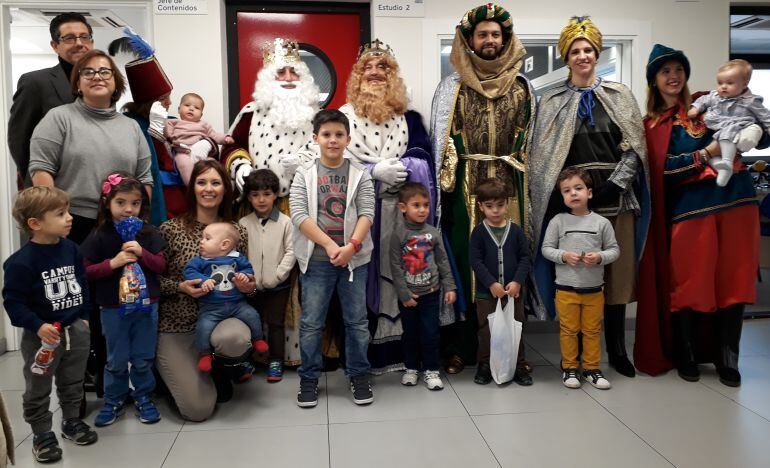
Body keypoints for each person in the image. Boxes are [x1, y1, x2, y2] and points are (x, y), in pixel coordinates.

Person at [529, 17, 650, 378]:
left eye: (588, 50)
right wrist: (567, 195)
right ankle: (578, 350)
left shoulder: (619, 95)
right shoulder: (551, 101)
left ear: (597, 54)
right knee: (579, 275)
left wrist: (615, 184)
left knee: (616, 278)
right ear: (566, 58)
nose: (582, 56)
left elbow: (635, 148)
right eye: (575, 51)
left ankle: (617, 349)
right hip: (574, 206)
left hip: (616, 200)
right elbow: (544, 157)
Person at [638, 44, 762, 386]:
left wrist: (754, 130)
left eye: (679, 69)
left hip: (738, 204)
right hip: (690, 213)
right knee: (690, 284)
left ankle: (727, 359)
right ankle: (687, 354)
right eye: (665, 71)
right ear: (654, 80)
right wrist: (707, 153)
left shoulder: (713, 101)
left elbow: (758, 130)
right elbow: (663, 172)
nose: (673, 76)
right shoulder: (652, 125)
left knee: (735, 282)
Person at [430, 3, 535, 376]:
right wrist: (447, 185)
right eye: (482, 34)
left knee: (509, 260)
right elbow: (443, 141)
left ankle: (512, 351)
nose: (490, 40)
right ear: (470, 40)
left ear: (504, 40)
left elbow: (530, 141)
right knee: (465, 263)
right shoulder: (452, 87)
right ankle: (464, 348)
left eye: (496, 34)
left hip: (509, 187)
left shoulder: (522, 87)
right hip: (465, 188)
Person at [341, 39, 437, 374]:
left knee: (407, 276)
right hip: (362, 215)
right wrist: (372, 171)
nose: (375, 72)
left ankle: (409, 356)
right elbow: (334, 163)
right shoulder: (343, 117)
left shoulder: (410, 118)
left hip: (402, 215)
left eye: (383, 67)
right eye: (367, 67)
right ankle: (364, 358)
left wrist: (407, 166)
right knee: (364, 283)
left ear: (393, 75)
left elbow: (424, 157)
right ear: (357, 75)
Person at [2, 187, 98, 463]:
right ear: (35, 223)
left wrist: (84, 317)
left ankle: (71, 421)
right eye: (60, 213)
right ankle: (41, 433)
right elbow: (14, 303)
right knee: (38, 386)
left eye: (68, 211)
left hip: (76, 331)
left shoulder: (71, 249)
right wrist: (37, 325)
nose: (70, 218)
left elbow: (82, 284)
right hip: (42, 338)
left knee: (73, 380)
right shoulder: (20, 263)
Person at [157, 159, 256, 421]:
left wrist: (248, 286)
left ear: (225, 189)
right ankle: (178, 374)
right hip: (178, 325)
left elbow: (247, 280)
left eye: (216, 182)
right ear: (192, 188)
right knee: (198, 410)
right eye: (201, 182)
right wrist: (180, 287)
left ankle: (221, 368)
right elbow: (152, 281)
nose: (208, 189)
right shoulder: (170, 230)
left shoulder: (236, 232)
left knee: (235, 338)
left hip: (220, 318)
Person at [290, 109, 375, 407]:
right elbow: (299, 215)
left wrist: (351, 246)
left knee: (357, 322)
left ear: (348, 139)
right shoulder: (304, 174)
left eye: (339, 134)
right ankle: (309, 378)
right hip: (316, 261)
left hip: (354, 261)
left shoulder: (360, 174)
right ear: (315, 138)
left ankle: (359, 375)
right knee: (312, 323)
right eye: (326, 134)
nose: (333, 140)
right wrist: (328, 245)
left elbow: (367, 213)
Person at [28, 49, 154, 245]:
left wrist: (137, 220)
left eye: (105, 71)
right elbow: (41, 169)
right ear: (78, 84)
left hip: (120, 223)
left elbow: (144, 178)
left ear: (115, 82)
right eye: (88, 72)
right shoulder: (58, 118)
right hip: (72, 223)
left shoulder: (132, 127)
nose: (97, 76)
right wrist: (57, 218)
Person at [79, 174, 166, 427]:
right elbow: (84, 271)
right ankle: (114, 399)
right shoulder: (99, 234)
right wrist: (112, 263)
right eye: (121, 202)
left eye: (135, 203)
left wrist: (142, 253)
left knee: (143, 356)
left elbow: (161, 266)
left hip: (147, 306)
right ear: (107, 203)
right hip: (112, 307)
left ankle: (143, 396)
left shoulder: (149, 233)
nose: (128, 209)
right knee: (115, 358)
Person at [541, 168, 619, 390]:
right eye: (567, 191)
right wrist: (564, 256)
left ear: (589, 193)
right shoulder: (558, 221)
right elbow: (546, 249)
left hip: (594, 290)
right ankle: (570, 368)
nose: (573, 193)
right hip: (566, 290)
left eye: (578, 188)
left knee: (592, 331)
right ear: (562, 197)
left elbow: (614, 250)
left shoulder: (602, 223)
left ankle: (592, 369)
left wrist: (600, 257)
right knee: (568, 331)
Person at [224, 38, 319, 199]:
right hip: (258, 201)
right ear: (269, 79)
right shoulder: (250, 113)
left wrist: (305, 162)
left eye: (294, 72)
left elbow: (331, 153)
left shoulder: (318, 116)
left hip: (304, 202)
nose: (288, 78)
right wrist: (240, 166)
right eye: (280, 72)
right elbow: (231, 146)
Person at [114, 28, 192, 224]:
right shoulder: (131, 125)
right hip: (155, 199)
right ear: (150, 103)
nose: (170, 103)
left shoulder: (170, 120)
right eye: (164, 98)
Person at [8, 12, 93, 190]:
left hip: (93, 187)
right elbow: (19, 139)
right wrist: (36, 181)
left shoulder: (101, 83)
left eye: (84, 37)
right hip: (51, 187)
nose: (79, 43)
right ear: (55, 45)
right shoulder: (35, 82)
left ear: (91, 42)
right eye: (69, 38)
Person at [389, 182, 456, 390]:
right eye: (416, 205)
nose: (422, 210)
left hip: (431, 293)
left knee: (430, 333)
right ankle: (411, 368)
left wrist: (450, 287)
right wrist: (404, 294)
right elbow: (395, 266)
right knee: (410, 333)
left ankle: (431, 369)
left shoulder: (433, 233)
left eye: (426, 205)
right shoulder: (398, 234)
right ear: (403, 208)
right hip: (408, 296)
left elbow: (443, 261)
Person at [469, 179, 531, 385]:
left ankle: (519, 365)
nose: (495, 210)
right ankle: (485, 365)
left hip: (513, 293)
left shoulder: (516, 231)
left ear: (507, 204)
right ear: (480, 206)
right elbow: (475, 261)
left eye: (500, 205)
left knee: (515, 328)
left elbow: (525, 258)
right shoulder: (479, 232)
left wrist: (517, 281)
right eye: (489, 206)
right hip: (487, 294)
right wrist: (491, 284)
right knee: (487, 331)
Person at [184, 222, 269, 372]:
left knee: (252, 315)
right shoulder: (201, 260)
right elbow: (189, 271)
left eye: (207, 238)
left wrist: (244, 276)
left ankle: (257, 339)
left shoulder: (237, 258)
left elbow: (248, 269)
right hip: (211, 308)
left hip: (238, 304)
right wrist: (203, 280)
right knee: (203, 327)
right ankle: (205, 353)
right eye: (202, 238)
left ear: (224, 244)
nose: (201, 241)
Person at [239, 169, 296, 382]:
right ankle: (248, 360)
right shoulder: (244, 223)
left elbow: (291, 251)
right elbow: (240, 254)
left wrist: (278, 275)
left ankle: (276, 360)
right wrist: (247, 277)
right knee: (249, 322)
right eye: (255, 195)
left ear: (275, 195)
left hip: (277, 286)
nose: (261, 200)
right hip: (251, 286)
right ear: (248, 197)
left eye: (266, 194)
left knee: (275, 324)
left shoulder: (285, 222)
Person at [686, 59, 770, 186]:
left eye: (729, 83)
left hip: (737, 127)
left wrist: (763, 131)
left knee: (727, 134)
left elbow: (765, 117)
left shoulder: (750, 100)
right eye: (720, 83)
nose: (723, 86)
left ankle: (727, 162)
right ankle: (722, 169)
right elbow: (703, 100)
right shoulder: (715, 96)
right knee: (707, 154)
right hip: (718, 131)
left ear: (744, 84)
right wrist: (695, 108)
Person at [165, 93, 235, 185]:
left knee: (212, 163)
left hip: (199, 151)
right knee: (183, 163)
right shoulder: (174, 122)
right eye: (187, 105)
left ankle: (221, 184)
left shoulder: (203, 125)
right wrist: (169, 135)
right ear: (179, 109)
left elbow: (214, 135)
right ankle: (191, 185)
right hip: (182, 151)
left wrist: (225, 138)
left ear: (201, 114)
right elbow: (166, 132)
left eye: (196, 108)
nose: (191, 109)